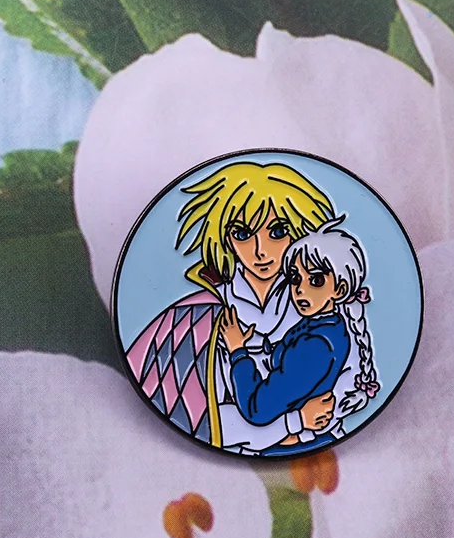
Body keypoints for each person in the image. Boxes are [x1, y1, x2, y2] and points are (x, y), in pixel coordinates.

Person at [126, 160, 338, 454]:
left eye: (278, 231)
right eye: (242, 234)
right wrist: (295, 422)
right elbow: (202, 420)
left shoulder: (321, 302)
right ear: (224, 240)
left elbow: (342, 396)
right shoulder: (195, 318)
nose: (260, 251)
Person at [219, 219, 379, 456]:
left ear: (340, 289)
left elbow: (257, 409)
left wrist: (238, 352)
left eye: (316, 281)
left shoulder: (317, 345)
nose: (301, 290)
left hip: (297, 450)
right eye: (295, 278)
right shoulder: (322, 325)